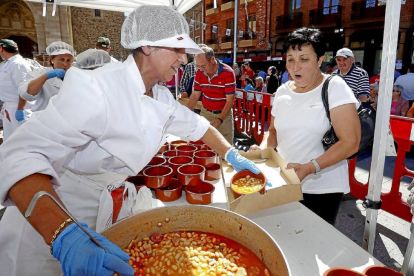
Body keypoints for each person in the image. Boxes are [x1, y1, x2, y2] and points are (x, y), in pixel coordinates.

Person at [0, 6, 261, 276]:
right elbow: (21, 154)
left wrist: (231, 154)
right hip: (53, 210)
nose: (184, 60)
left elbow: (199, 126)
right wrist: (64, 235)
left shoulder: (160, 97)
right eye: (178, 50)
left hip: (102, 205)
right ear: (147, 46)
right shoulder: (97, 87)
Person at [249, 27, 360, 225]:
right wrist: (263, 148)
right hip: (284, 182)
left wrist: (309, 168)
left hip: (322, 189)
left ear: (319, 60)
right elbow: (273, 131)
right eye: (290, 59)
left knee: (315, 245)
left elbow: (351, 142)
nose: (295, 67)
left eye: (304, 59)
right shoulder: (282, 91)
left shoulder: (335, 87)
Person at [187, 46, 236, 145]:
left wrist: (220, 119)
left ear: (212, 60)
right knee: (204, 147)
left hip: (224, 115)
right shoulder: (200, 73)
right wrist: (186, 114)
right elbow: (195, 95)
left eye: (203, 66)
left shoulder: (228, 73)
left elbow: (230, 100)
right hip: (206, 113)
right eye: (197, 66)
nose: (200, 69)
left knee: (226, 147)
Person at [18, 41, 74, 116]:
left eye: (68, 60)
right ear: (52, 60)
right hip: (47, 117)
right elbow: (28, 93)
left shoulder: (74, 75)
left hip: (70, 116)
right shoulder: (39, 73)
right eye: (61, 59)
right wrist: (46, 76)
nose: (65, 64)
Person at [0, 39, 32, 141]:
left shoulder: (18, 64)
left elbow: (24, 88)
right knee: (11, 140)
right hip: (10, 106)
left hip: (17, 106)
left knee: (20, 141)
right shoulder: (9, 63)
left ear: (1, 49)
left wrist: (20, 109)